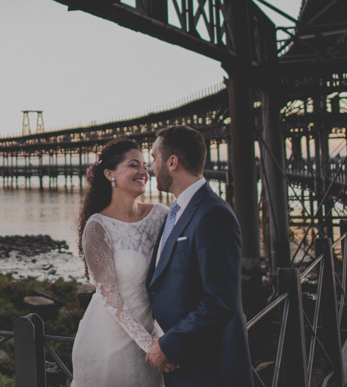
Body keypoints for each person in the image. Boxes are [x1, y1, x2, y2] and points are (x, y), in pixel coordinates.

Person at [145, 125, 253, 386]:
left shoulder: (212, 214)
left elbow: (220, 301)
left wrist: (169, 344)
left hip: (205, 368)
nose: (151, 166)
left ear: (172, 162)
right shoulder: (176, 210)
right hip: (180, 364)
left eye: (154, 158)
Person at [71, 138, 168, 387]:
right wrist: (150, 346)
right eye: (134, 165)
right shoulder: (98, 227)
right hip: (109, 343)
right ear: (109, 174)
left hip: (154, 338)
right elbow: (110, 297)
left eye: (145, 166)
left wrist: (165, 341)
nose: (143, 172)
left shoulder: (161, 215)